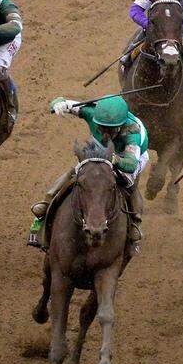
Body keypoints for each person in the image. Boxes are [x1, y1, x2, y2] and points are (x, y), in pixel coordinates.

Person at [28, 95, 149, 254]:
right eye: (102, 127)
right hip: (100, 147)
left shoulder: (133, 132)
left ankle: (135, 223)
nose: (105, 132)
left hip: (127, 156)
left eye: (110, 129)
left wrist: (114, 160)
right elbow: (60, 101)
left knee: (127, 183)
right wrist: (58, 104)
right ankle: (46, 203)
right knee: (77, 171)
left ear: (120, 126)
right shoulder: (91, 112)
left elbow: (131, 164)